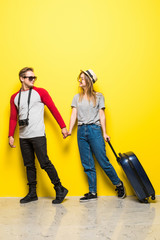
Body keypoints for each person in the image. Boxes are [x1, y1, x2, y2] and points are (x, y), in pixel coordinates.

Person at [9, 67, 68, 204]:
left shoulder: (40, 92)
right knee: (29, 165)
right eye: (30, 78)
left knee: (45, 163)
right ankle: (32, 193)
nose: (33, 80)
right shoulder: (14, 97)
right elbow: (13, 118)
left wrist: (63, 126)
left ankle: (59, 188)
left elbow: (53, 109)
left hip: (38, 135)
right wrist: (10, 135)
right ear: (22, 78)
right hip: (23, 136)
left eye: (34, 77)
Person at [68, 69, 126, 202]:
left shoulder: (99, 96)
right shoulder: (77, 97)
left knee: (103, 161)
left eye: (82, 78)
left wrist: (105, 133)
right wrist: (70, 130)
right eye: (79, 78)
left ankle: (118, 184)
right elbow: (74, 115)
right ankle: (92, 192)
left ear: (88, 80)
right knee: (87, 163)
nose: (79, 81)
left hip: (95, 130)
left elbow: (101, 115)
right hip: (81, 131)